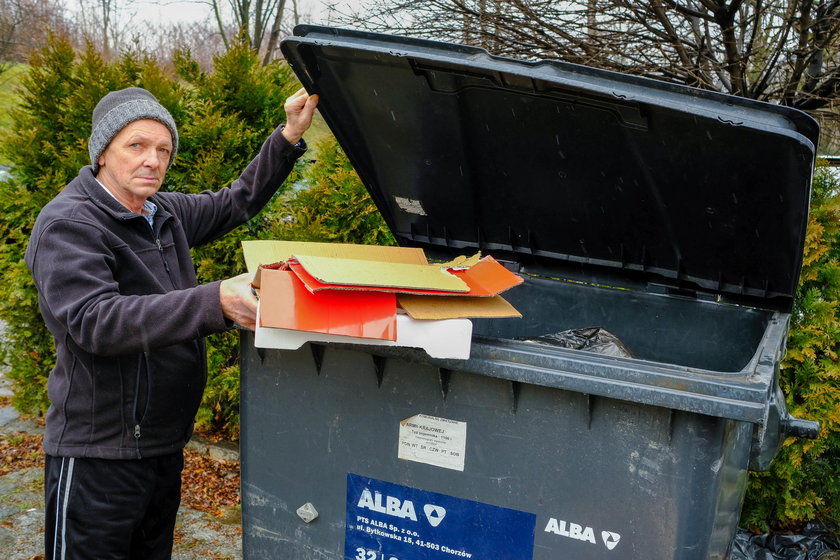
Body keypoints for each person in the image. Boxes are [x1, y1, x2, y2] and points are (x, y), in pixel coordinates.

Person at [25, 85, 319, 559]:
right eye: (136, 145)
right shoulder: (69, 225)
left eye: (163, 149)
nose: (153, 161)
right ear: (103, 152)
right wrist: (214, 301)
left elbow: (235, 202)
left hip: (161, 445)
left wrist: (287, 136)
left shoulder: (164, 213)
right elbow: (95, 321)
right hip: (98, 454)